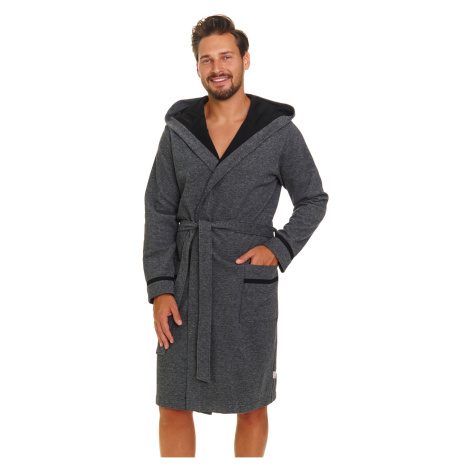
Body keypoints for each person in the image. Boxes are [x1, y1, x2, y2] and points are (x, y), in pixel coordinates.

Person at [143, 14, 329, 457]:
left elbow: (313, 199)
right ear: (197, 67)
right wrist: (160, 288)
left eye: (226, 57)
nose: (217, 68)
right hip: (186, 285)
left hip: (246, 286)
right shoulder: (178, 132)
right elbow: (159, 211)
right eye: (207, 60)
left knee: (252, 404)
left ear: (245, 60)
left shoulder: (278, 133)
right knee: (173, 403)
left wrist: (279, 248)